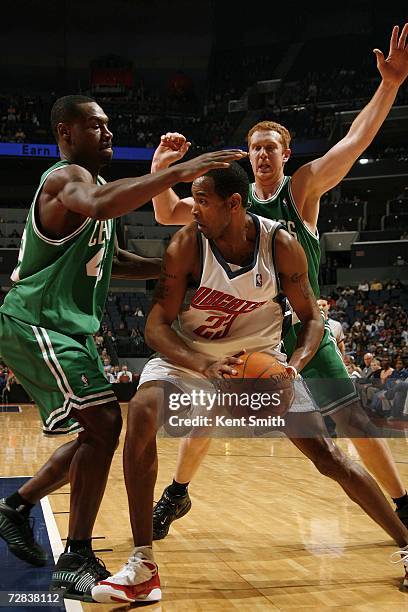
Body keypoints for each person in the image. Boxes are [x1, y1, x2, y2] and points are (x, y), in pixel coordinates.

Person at [92, 164, 408, 603]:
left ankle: (406, 541)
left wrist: (294, 364)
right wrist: (202, 365)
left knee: (328, 455)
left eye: (202, 201)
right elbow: (156, 327)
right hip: (192, 358)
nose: (194, 209)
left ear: (233, 204)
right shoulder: (187, 244)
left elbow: (313, 318)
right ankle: (143, 561)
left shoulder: (280, 244)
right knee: (141, 412)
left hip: (257, 359)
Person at [148, 23, 408, 538]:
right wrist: (161, 170)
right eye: (255, 147)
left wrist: (391, 85)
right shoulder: (226, 204)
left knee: (353, 421)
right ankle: (177, 494)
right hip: (247, 329)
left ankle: (404, 505)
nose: (263, 154)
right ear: (247, 157)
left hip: (300, 328)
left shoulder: (304, 188)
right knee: (205, 410)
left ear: (286, 155)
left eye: (272, 147)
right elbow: (167, 213)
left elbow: (355, 141)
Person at [0, 94, 246, 601]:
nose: (108, 132)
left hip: (68, 328)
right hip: (35, 320)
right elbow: (100, 204)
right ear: (66, 133)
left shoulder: (100, 194)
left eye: (110, 125)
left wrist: (173, 269)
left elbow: (118, 261)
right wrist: (181, 174)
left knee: (100, 431)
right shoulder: (67, 180)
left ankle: (18, 508)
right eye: (96, 125)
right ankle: (75, 557)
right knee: (106, 423)